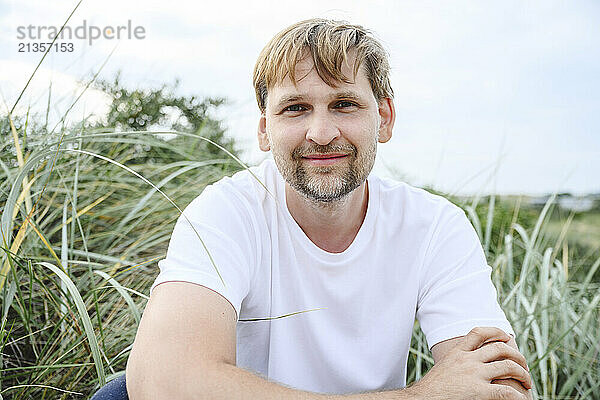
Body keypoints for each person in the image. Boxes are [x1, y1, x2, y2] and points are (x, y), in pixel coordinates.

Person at [126, 18, 532, 400]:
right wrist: (420, 396)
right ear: (265, 131)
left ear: (384, 119)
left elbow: (502, 386)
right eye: (295, 108)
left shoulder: (434, 225)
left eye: (344, 104)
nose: (321, 134)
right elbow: (160, 382)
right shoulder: (225, 212)